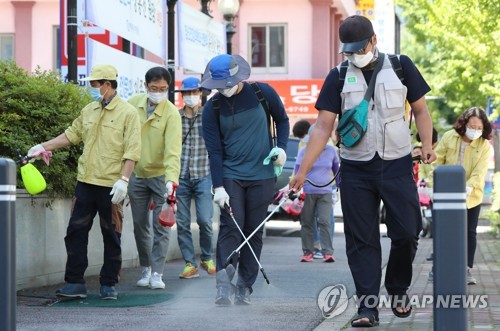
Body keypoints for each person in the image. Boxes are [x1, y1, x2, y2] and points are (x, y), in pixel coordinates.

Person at [289, 15, 436, 327]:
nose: (355, 55)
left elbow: (421, 110)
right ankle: (367, 307)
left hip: (397, 163)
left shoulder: (400, 65)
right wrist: (302, 171)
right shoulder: (338, 75)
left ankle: (397, 289)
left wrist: (426, 145)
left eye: (360, 48)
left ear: (374, 41)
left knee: (408, 231)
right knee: (361, 240)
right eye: (350, 51)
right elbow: (321, 128)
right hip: (356, 169)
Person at [27, 64, 141, 300]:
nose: (91, 88)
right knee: (75, 232)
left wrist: (124, 180)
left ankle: (109, 284)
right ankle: (75, 283)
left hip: (112, 185)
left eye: (94, 84)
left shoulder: (128, 113)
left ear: (107, 84)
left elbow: (132, 150)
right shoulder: (89, 110)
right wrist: (43, 147)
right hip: (85, 182)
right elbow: (71, 134)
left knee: (112, 233)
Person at [201, 54, 289, 305]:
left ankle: (244, 287)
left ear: (238, 77)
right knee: (231, 227)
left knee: (253, 231)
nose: (223, 90)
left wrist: (282, 149)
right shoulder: (212, 108)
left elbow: (282, 120)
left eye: (226, 84)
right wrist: (218, 186)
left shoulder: (262, 93)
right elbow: (215, 152)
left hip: (262, 174)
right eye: (218, 86)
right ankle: (223, 287)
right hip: (231, 175)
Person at [127, 67, 182, 290]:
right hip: (137, 174)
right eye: (154, 88)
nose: (158, 93)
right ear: (145, 86)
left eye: (163, 89)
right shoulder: (132, 104)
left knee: (161, 226)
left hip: (161, 176)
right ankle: (146, 267)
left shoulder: (171, 113)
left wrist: (171, 180)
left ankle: (157, 272)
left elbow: (172, 149)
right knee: (140, 226)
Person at [428, 107, 492, 284]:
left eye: (479, 128)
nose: (476, 131)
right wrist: (432, 184)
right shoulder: (449, 136)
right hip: (445, 192)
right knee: (443, 232)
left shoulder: (484, 146)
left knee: (469, 232)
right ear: (464, 124)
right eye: (473, 126)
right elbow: (437, 161)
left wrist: (469, 188)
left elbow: (479, 173)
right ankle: (439, 266)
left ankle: (466, 269)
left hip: (471, 196)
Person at [174, 77, 216, 279]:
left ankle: (207, 258)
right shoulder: (175, 117)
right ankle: (190, 264)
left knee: (205, 220)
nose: (190, 96)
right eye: (187, 93)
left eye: (194, 93)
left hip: (203, 174)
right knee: (181, 223)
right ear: (182, 96)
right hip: (180, 176)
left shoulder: (209, 116)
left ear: (200, 94)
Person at [295, 124, 340, 263]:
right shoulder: (304, 151)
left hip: (326, 191)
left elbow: (336, 169)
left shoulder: (331, 151)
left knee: (324, 220)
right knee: (307, 221)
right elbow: (297, 170)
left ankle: (328, 252)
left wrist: (339, 187)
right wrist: (296, 187)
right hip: (308, 191)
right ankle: (308, 252)